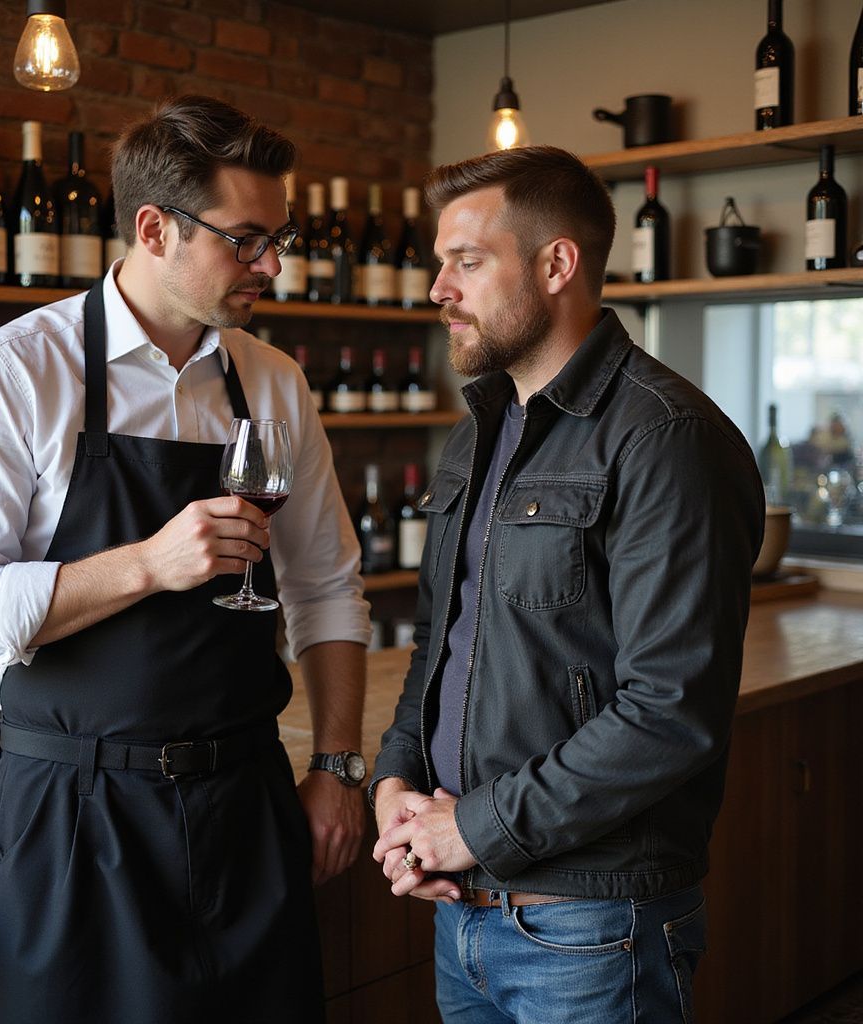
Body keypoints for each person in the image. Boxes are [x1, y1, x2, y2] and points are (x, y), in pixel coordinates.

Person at [0, 95, 371, 1024]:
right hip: (78, 815)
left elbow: (325, 586)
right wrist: (148, 565)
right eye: (247, 239)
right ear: (155, 228)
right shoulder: (17, 372)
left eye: (278, 237)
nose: (272, 264)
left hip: (249, 804)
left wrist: (336, 765)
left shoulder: (274, 380)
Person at [370, 146, 765, 1023]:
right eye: (441, 264)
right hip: (461, 913)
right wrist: (396, 787)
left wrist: (469, 828)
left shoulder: (666, 438)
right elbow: (440, 645)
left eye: (467, 263)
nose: (439, 289)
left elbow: (672, 711)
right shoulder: (475, 435)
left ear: (556, 264)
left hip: (592, 928)